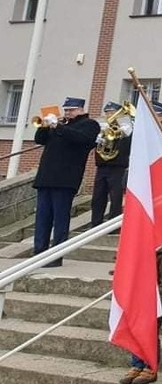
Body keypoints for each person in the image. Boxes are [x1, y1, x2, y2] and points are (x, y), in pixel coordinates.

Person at [31, 97, 100, 264]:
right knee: (42, 218)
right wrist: (45, 126)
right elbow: (40, 140)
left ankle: (55, 257)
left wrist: (58, 126)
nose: (67, 113)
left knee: (60, 218)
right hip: (46, 177)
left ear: (81, 110)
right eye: (66, 110)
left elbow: (81, 139)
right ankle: (38, 253)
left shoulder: (89, 124)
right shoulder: (61, 125)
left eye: (71, 110)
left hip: (65, 179)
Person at [120, 240, 162, 384]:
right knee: (135, 326)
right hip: (139, 293)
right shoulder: (142, 244)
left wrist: (159, 308)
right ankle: (137, 363)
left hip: (155, 299)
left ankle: (150, 366)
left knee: (150, 329)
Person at [91, 101, 132, 228]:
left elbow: (128, 144)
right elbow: (96, 144)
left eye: (112, 112)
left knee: (116, 196)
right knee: (98, 196)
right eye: (107, 112)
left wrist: (120, 134)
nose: (109, 115)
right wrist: (98, 137)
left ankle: (113, 224)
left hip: (117, 165)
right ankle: (96, 222)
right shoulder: (102, 125)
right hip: (102, 164)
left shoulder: (125, 125)